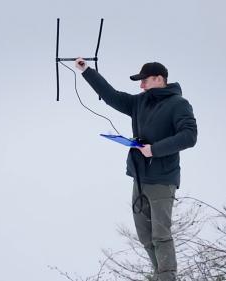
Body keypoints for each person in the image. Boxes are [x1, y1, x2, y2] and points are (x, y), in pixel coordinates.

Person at [75, 58, 197, 281]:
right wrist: (86, 71)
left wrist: (155, 149)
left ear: (159, 79)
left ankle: (167, 278)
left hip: (162, 179)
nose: (141, 86)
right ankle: (161, 275)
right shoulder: (139, 103)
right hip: (140, 178)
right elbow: (112, 96)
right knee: (145, 237)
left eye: (145, 81)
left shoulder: (179, 104)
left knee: (161, 234)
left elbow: (189, 136)